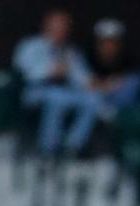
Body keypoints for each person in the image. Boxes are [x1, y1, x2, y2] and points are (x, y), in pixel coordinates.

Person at [12, 11, 98, 158]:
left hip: (65, 92)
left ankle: (72, 145)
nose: (61, 30)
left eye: (64, 26)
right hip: (35, 92)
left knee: (92, 99)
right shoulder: (31, 46)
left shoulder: (69, 50)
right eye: (57, 26)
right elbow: (22, 72)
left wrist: (90, 83)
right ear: (46, 26)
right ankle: (48, 149)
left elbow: (81, 77)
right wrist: (50, 70)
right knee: (56, 97)